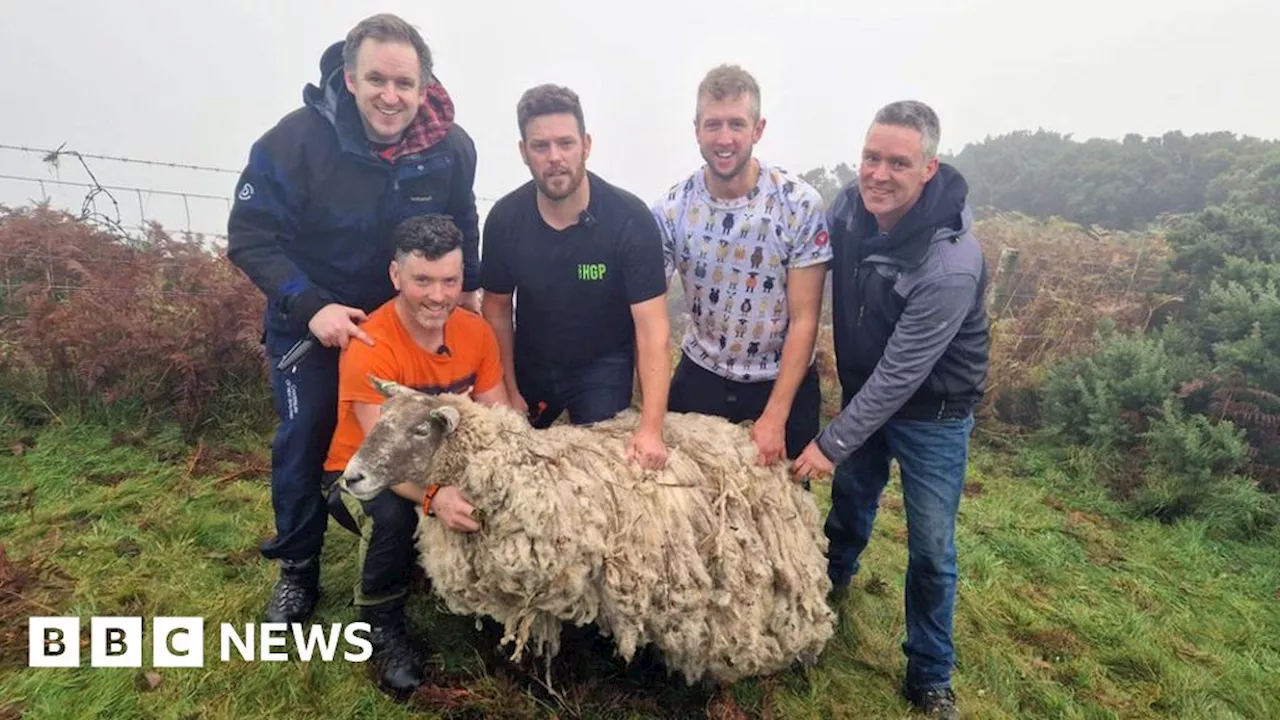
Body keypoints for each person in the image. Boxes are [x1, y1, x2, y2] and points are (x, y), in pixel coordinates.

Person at [227, 13, 482, 627]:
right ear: (349, 77)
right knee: (308, 433)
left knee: (426, 432)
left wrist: (465, 292)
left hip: (402, 323)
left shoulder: (451, 148)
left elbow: (462, 223)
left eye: (404, 84)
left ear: (424, 87)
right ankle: (297, 571)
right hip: (312, 315)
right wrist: (311, 306)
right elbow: (250, 235)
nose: (390, 97)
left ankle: (411, 547)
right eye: (376, 80)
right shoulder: (295, 141)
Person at [791, 100, 990, 720]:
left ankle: (930, 674)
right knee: (851, 503)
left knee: (932, 546)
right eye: (870, 157)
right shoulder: (848, 211)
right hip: (862, 393)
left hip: (933, 413)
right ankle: (827, 592)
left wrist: (829, 442)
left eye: (897, 163)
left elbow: (903, 375)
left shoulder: (950, 263)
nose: (877, 174)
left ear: (928, 168)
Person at [322, 214, 506, 694]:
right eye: (422, 280)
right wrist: (435, 497)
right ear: (396, 275)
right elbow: (384, 457)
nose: (437, 295)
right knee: (394, 517)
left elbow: (499, 418)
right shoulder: (371, 345)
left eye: (450, 280)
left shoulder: (477, 333)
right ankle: (379, 623)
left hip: (442, 463)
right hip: (361, 470)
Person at [480, 84, 670, 470]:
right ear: (523, 152)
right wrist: (508, 391)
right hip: (533, 361)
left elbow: (653, 331)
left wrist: (651, 428)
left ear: (586, 144)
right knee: (509, 465)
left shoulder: (629, 220)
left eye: (565, 143)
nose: (555, 158)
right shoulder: (505, 220)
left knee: (603, 471)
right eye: (540, 146)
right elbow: (497, 309)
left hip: (601, 364)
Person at [652, 64, 829, 466]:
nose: (725, 138)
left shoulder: (798, 204)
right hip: (703, 373)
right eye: (713, 125)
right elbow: (650, 315)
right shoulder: (670, 210)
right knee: (687, 502)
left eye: (737, 124)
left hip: (779, 378)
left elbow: (805, 318)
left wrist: (775, 416)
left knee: (780, 511)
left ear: (758, 128)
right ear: (696, 129)